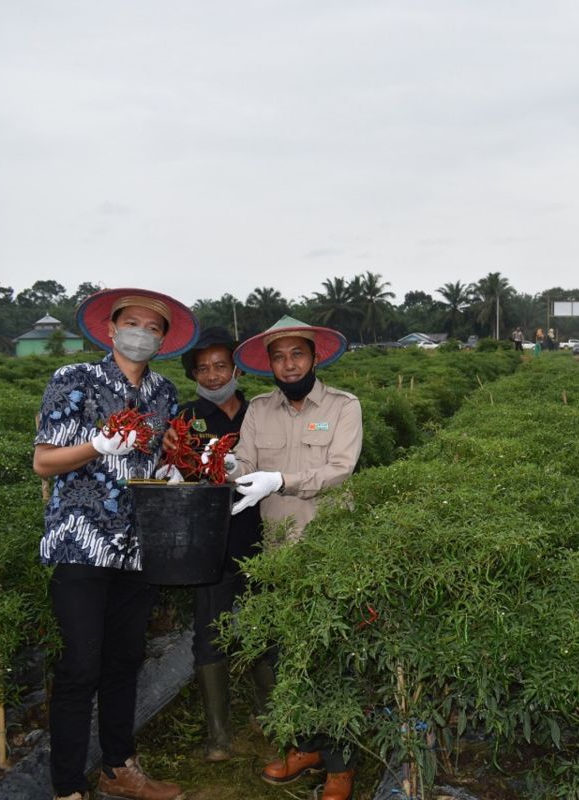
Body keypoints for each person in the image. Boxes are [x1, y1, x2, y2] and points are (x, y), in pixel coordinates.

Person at [33, 288, 198, 800]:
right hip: (81, 541)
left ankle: (118, 768)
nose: (142, 333)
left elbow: (155, 461)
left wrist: (174, 466)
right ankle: (66, 788)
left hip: (136, 545)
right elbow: (43, 461)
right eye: (134, 323)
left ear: (163, 340)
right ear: (110, 328)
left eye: (154, 328)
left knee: (125, 658)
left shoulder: (163, 394)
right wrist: (96, 446)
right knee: (81, 665)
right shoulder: (73, 379)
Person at [227, 316, 362, 800]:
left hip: (329, 548)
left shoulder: (344, 407)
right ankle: (308, 745)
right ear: (270, 364)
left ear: (314, 356)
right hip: (279, 551)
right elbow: (243, 460)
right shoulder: (259, 410)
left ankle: (341, 763)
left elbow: (341, 469)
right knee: (288, 654)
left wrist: (280, 480)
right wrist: (226, 466)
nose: (288, 365)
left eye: (297, 355)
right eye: (279, 357)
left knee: (331, 655)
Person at [161, 327, 269, 763]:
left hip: (262, 539)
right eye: (202, 368)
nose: (211, 375)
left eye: (220, 365)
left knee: (265, 626)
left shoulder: (261, 412)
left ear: (237, 368)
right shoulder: (184, 418)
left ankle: (270, 714)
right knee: (210, 634)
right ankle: (219, 736)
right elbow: (172, 479)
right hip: (208, 545)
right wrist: (170, 454)